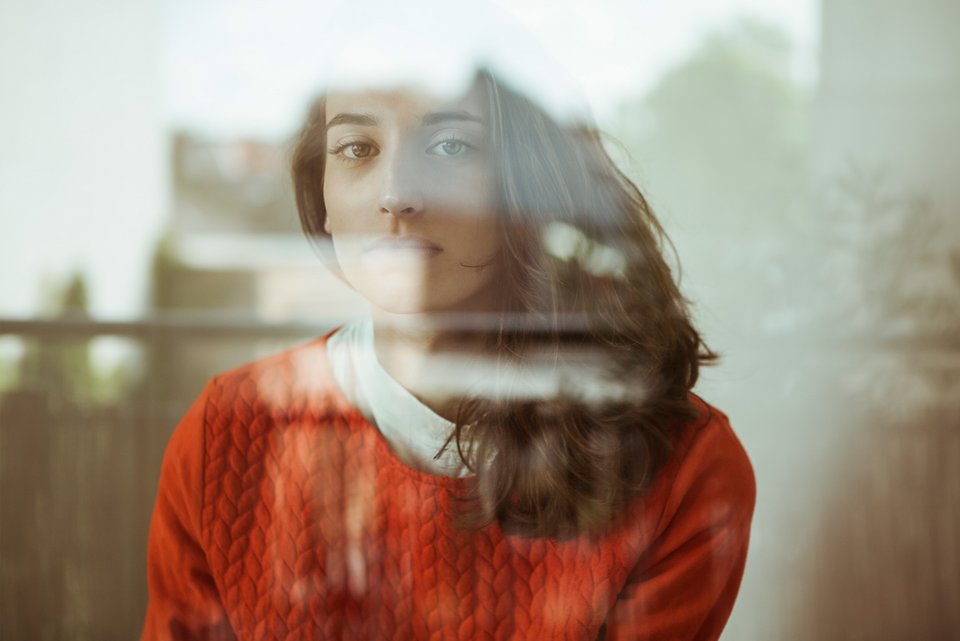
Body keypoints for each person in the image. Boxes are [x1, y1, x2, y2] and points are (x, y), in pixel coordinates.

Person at [142, 4, 755, 640]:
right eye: (356, 149)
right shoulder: (226, 437)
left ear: (523, 183)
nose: (397, 191)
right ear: (321, 199)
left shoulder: (685, 470)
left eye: (450, 145)